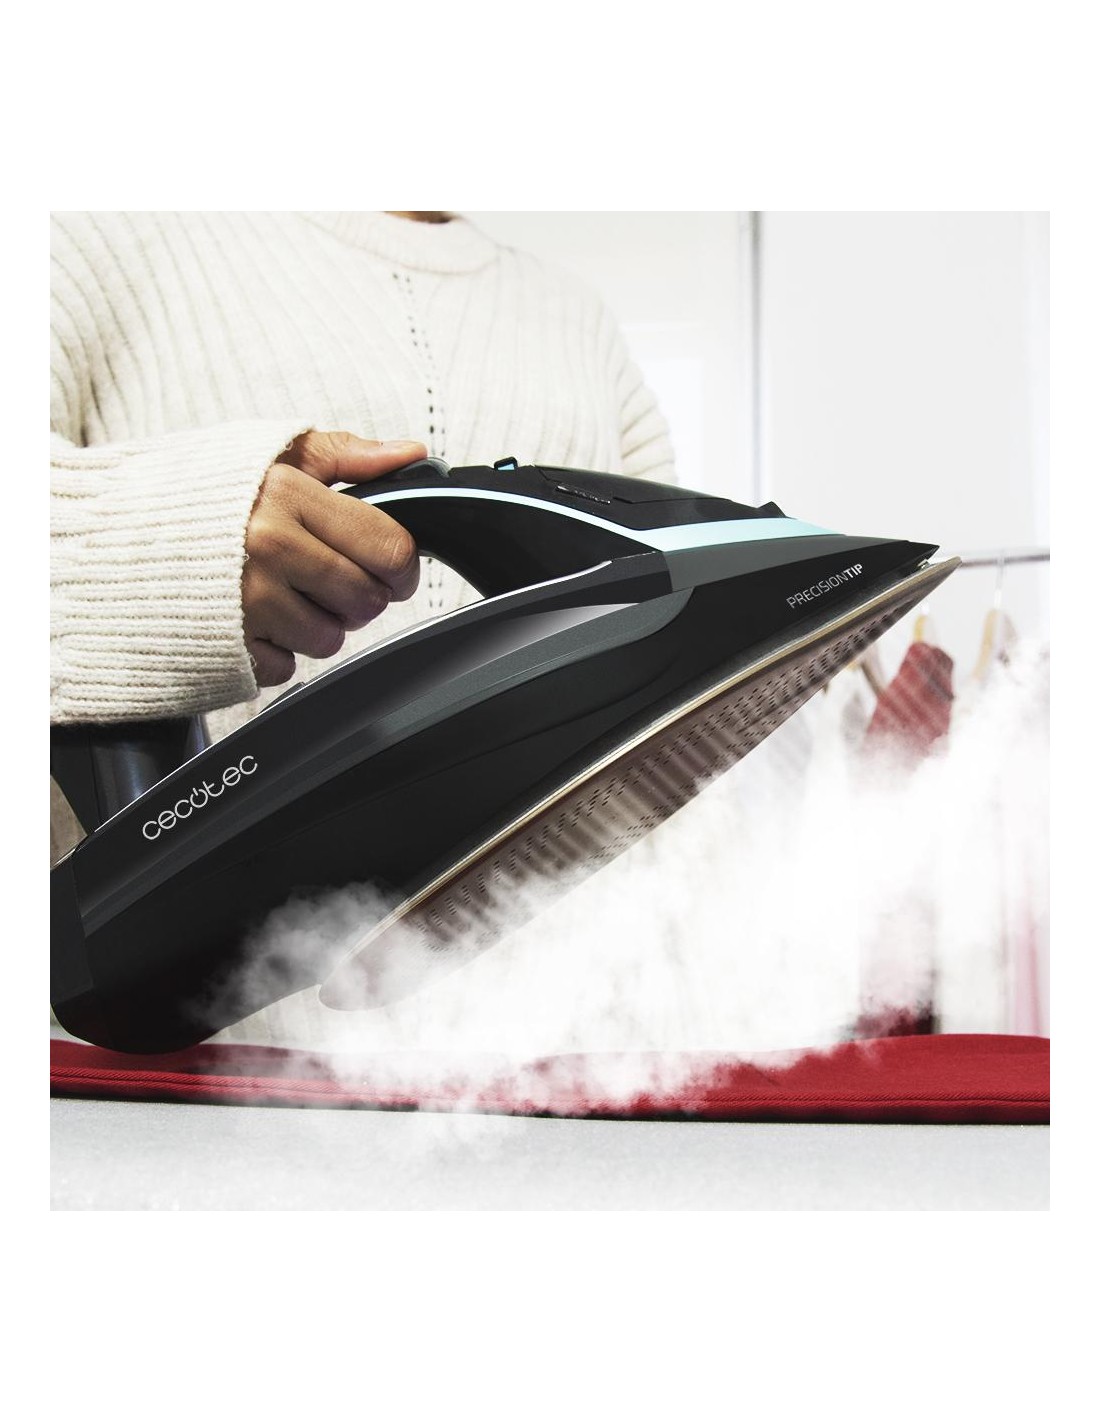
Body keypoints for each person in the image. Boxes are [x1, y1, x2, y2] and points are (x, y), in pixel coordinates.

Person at [50, 210, 676, 867]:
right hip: (239, 917)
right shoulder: (91, 234)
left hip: (571, 917)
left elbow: (679, 662)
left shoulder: (582, 323)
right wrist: (176, 544)